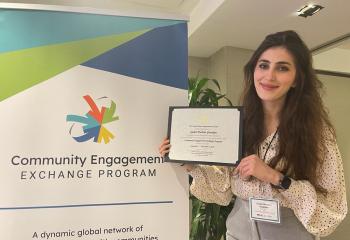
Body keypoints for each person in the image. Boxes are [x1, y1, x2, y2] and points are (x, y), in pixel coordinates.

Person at [159, 30, 347, 240]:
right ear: (254, 70)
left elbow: (332, 204)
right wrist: (188, 162)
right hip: (239, 231)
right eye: (263, 65)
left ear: (296, 79)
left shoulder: (317, 132)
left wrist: (275, 177)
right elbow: (223, 187)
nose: (269, 76)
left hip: (289, 232)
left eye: (282, 68)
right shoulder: (240, 123)